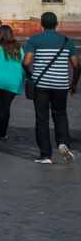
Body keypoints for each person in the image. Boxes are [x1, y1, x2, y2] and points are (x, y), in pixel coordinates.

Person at [23, 11, 78, 164]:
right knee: (60, 114)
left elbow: (26, 62)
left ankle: (46, 154)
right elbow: (76, 65)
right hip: (61, 84)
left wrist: (29, 75)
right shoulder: (67, 41)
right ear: (56, 24)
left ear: (41, 24)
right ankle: (63, 142)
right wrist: (74, 84)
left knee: (42, 118)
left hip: (41, 84)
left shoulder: (35, 39)